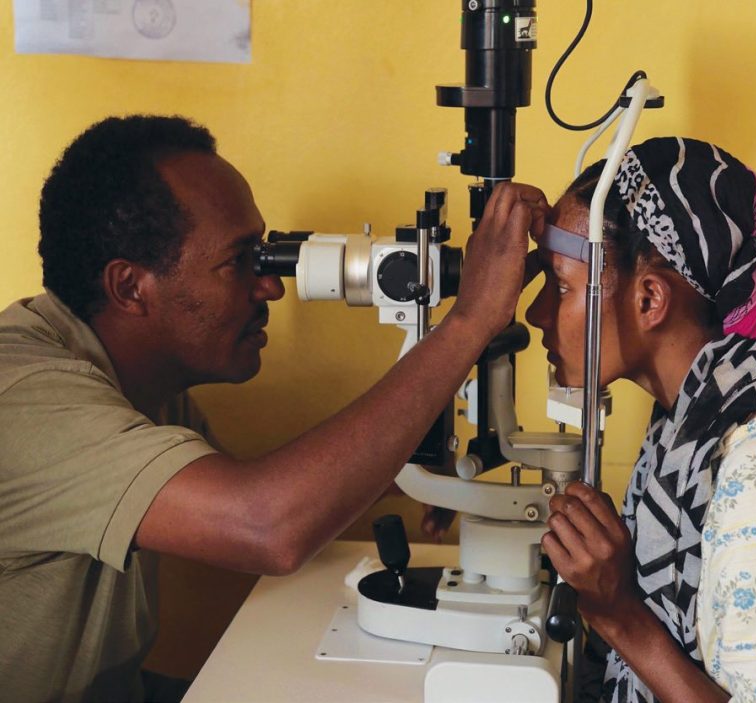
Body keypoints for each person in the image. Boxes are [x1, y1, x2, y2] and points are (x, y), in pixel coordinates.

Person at [0, 114, 549, 703]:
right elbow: (263, 524)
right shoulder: (31, 399)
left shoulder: (141, 386)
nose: (271, 287)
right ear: (131, 287)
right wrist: (467, 322)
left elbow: (234, 499)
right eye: (240, 261)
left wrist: (408, 473)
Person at [529, 136, 756, 702]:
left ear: (649, 301)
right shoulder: (731, 389)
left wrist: (618, 614)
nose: (536, 313)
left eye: (562, 287)